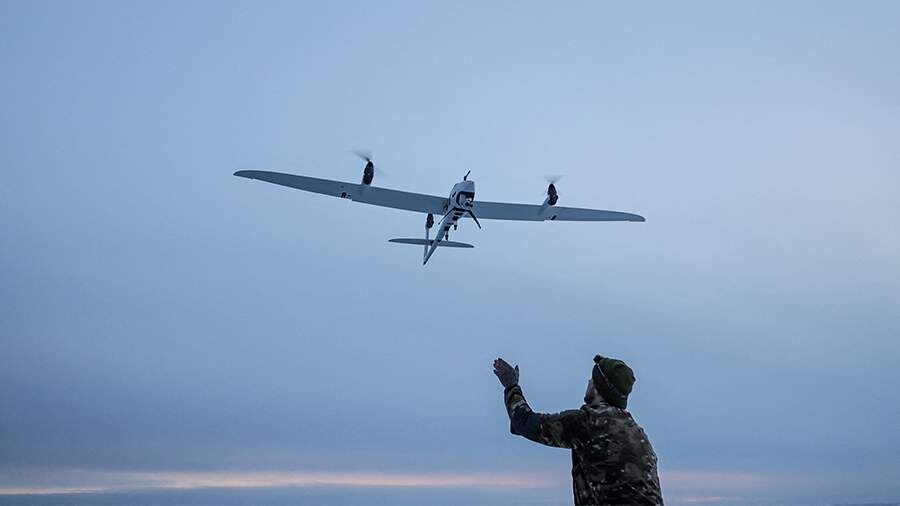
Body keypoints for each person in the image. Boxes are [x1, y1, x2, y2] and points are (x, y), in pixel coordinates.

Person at [493, 355, 663, 506]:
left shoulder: (589, 422)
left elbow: (524, 422)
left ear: (598, 388)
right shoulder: (636, 432)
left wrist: (511, 385)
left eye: (592, 379)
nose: (588, 382)